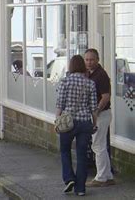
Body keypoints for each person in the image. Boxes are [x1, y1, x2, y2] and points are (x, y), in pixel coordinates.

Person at [56, 55, 98, 196]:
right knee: (82, 155)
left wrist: (57, 121)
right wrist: (94, 124)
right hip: (85, 122)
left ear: (71, 66)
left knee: (65, 150)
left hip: (68, 123)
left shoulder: (65, 82)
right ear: (82, 66)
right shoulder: (90, 83)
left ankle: (69, 179)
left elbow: (60, 105)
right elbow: (94, 108)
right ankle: (80, 189)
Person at [84, 48, 115, 187]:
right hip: (97, 114)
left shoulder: (101, 75)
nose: (89, 62)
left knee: (98, 145)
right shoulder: (90, 74)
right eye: (87, 60)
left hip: (101, 114)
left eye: (91, 59)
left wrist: (96, 111)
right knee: (100, 144)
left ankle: (101, 177)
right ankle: (107, 176)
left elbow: (106, 97)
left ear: (97, 60)